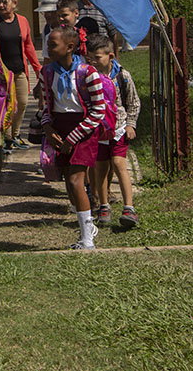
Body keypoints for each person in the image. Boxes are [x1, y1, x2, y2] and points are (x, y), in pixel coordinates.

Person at [41, 25, 106, 250]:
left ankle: (87, 238)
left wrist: (75, 136)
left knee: (76, 180)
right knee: (68, 183)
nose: (48, 49)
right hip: (60, 129)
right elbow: (46, 107)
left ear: (70, 47)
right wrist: (48, 128)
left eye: (53, 45)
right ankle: (87, 225)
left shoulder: (88, 73)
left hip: (84, 130)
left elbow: (99, 110)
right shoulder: (47, 73)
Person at [85, 34, 140, 228]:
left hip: (118, 128)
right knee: (100, 168)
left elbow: (133, 102)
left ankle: (129, 208)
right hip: (98, 130)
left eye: (97, 57)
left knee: (118, 164)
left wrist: (130, 124)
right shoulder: (87, 77)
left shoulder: (122, 76)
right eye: (90, 57)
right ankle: (103, 205)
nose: (93, 62)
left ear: (111, 56)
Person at [0, 0, 42, 150]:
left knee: (22, 102)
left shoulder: (22, 21)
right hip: (2, 72)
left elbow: (28, 46)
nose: (1, 5)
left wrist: (37, 69)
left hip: (19, 69)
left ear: (14, 3)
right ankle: (7, 138)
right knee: (8, 105)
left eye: (5, 2)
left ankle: (15, 134)